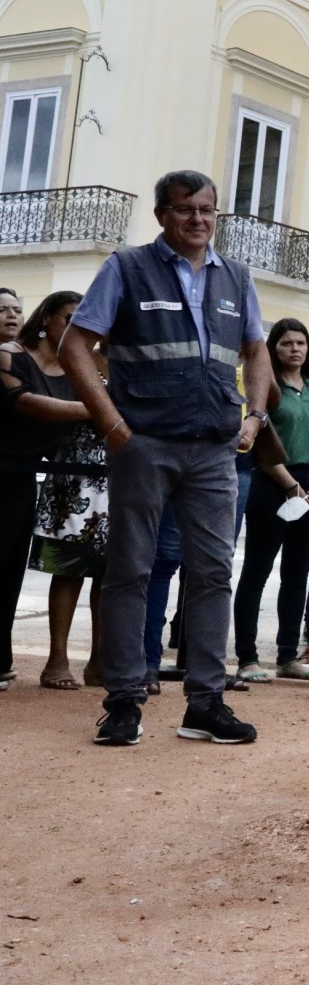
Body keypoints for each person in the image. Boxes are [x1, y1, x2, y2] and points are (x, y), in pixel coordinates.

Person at [62, 169, 270, 747]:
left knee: (213, 574)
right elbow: (74, 345)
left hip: (213, 449)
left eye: (207, 210)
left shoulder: (236, 277)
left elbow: (256, 349)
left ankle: (205, 703)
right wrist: (112, 423)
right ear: (162, 215)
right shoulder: (127, 267)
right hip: (144, 442)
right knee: (131, 568)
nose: (198, 220)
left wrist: (253, 416)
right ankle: (124, 701)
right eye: (185, 210)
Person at [231, 318, 309, 683]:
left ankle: (288, 655)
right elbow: (259, 443)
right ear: (273, 348)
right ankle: (247, 658)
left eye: (301, 343)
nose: (295, 349)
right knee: (257, 572)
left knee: (297, 575)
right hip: (275, 483)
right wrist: (290, 484)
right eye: (287, 343)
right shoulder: (268, 389)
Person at [0, 291, 91, 691]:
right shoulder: (8, 354)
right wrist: (103, 407)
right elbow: (30, 405)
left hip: (21, 477)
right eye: (68, 317)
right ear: (46, 319)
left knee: (8, 570)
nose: (75, 326)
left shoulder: (76, 368)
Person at [26, 293, 109, 692]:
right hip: (71, 478)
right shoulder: (69, 357)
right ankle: (56, 659)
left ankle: (99, 661)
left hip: (121, 479)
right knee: (68, 572)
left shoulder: (127, 363)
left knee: (110, 576)